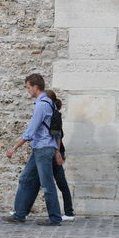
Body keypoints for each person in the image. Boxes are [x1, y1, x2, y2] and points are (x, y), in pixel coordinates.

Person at [2, 74, 62, 226]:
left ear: (36, 87)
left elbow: (31, 130)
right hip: (42, 149)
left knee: (47, 185)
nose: (28, 90)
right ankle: (20, 214)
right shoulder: (50, 103)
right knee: (26, 179)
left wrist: (14, 148)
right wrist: (56, 150)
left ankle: (55, 218)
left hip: (42, 149)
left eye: (28, 87)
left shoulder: (41, 105)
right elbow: (57, 130)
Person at [45, 89, 75, 222]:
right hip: (53, 152)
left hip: (53, 152)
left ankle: (69, 212)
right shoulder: (51, 114)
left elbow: (58, 136)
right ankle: (22, 210)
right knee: (33, 181)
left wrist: (57, 153)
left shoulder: (54, 115)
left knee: (60, 183)